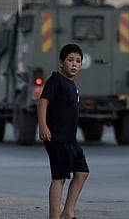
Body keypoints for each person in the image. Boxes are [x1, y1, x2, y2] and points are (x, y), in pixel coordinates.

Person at [38, 44, 89, 219]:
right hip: (57, 138)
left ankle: (68, 213)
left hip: (70, 139)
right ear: (61, 63)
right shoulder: (55, 81)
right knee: (59, 177)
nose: (74, 64)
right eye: (70, 60)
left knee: (82, 172)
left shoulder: (72, 85)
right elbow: (43, 102)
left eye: (78, 61)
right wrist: (43, 126)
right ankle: (54, 216)